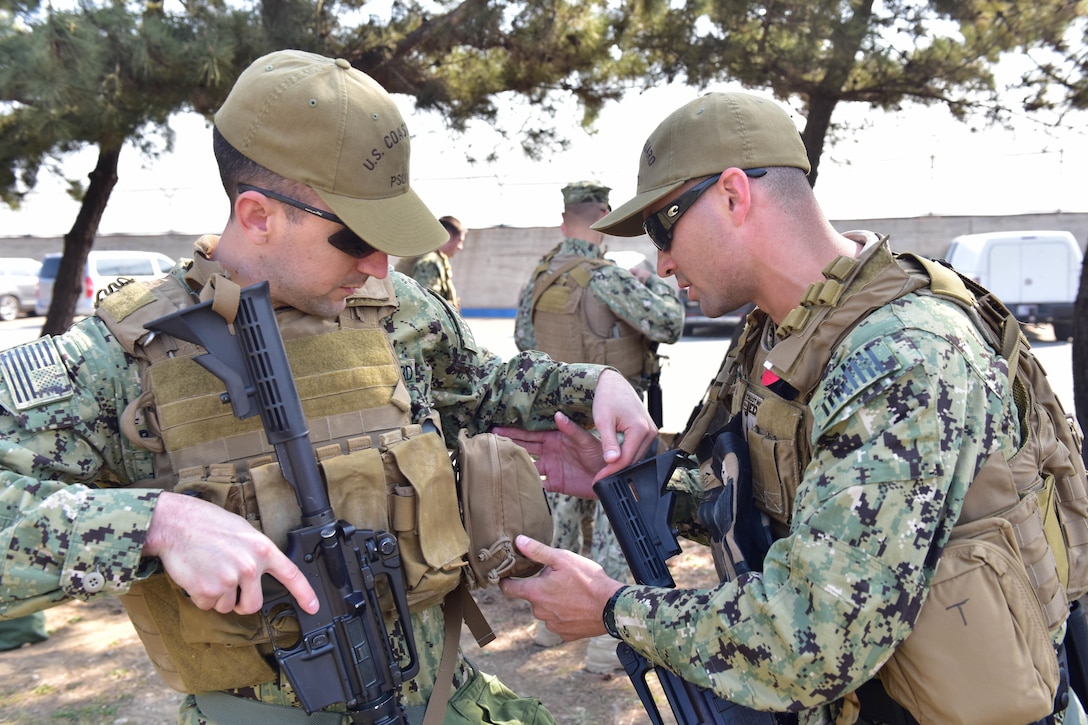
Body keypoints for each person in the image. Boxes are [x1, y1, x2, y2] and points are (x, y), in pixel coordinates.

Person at [0, 49, 656, 725]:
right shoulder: (122, 356)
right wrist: (154, 524)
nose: (379, 263)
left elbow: (479, 385)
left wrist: (592, 383)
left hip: (438, 698)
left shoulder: (393, 306)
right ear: (257, 215)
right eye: (356, 238)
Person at [496, 91, 1088, 724]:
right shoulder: (784, 332)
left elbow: (814, 636)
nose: (662, 263)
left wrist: (614, 609)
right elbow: (761, 501)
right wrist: (632, 482)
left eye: (663, 228)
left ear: (733, 195)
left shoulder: (904, 355)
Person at [512, 180, 683, 672]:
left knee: (560, 524)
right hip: (611, 427)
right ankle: (608, 648)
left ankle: (549, 624)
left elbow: (525, 338)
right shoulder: (609, 276)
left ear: (564, 217)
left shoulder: (542, 274)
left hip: (557, 420)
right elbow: (668, 324)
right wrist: (650, 279)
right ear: (605, 216)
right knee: (617, 526)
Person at [395, 215, 466, 309]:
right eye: (459, 241)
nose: (460, 247)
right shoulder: (430, 261)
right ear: (447, 236)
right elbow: (424, 303)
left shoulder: (431, 256)